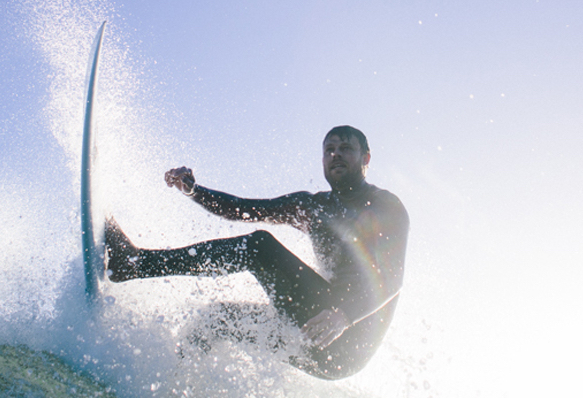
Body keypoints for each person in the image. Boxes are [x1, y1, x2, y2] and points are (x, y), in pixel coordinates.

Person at [104, 125, 409, 379]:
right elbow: (244, 209)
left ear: (366, 157)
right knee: (216, 320)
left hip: (348, 339)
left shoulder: (384, 206)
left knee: (260, 247)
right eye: (329, 149)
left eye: (345, 148)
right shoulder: (312, 206)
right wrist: (194, 191)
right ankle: (177, 386)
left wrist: (343, 317)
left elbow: (392, 280)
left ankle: (136, 264)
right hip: (315, 327)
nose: (335, 154)